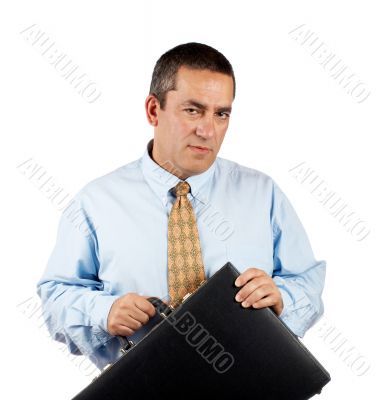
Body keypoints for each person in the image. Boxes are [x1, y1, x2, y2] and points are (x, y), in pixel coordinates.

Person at [37, 42, 327, 370]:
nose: (207, 130)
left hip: (248, 386)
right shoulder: (96, 202)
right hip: (142, 389)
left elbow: (307, 280)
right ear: (152, 110)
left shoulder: (264, 194)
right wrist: (102, 312)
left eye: (222, 114)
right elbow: (55, 296)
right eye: (193, 110)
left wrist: (282, 299)